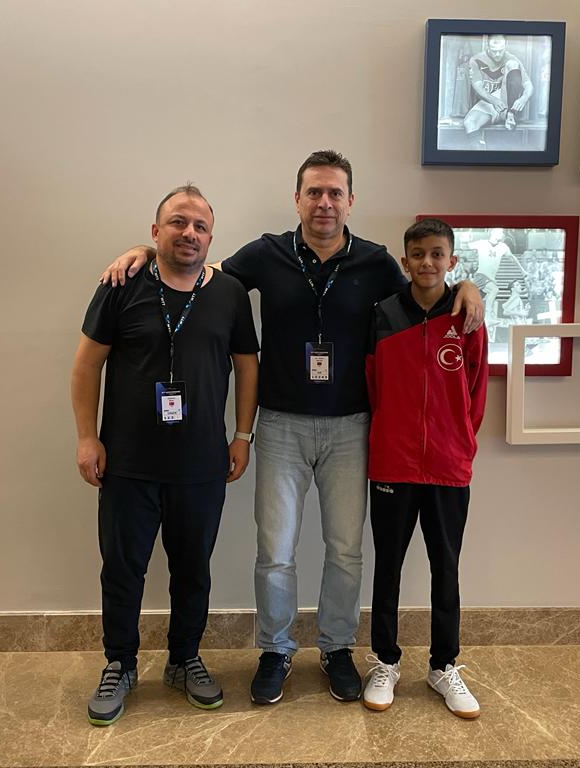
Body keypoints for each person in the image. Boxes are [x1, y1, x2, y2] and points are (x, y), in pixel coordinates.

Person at [99, 150, 485, 707]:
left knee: (345, 550)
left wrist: (469, 284)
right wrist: (145, 250)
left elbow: (426, 286)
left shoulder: (376, 262)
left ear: (350, 201)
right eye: (314, 192)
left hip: (351, 427)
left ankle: (336, 649)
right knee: (275, 550)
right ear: (297, 199)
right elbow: (197, 270)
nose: (324, 202)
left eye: (335, 193)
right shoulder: (267, 253)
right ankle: (276, 650)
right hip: (280, 425)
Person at [71, 185, 259, 725]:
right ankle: (120, 664)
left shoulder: (229, 294)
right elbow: (86, 365)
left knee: (192, 570)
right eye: (178, 222)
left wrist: (242, 436)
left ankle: (184, 659)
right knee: (122, 570)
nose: (189, 233)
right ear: (156, 232)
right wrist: (87, 438)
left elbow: (247, 366)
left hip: (201, 465)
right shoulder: (121, 284)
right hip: (127, 463)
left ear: (211, 238)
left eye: (200, 226)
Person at [362, 218, 488, 718]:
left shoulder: (467, 315)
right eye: (418, 254)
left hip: (448, 466)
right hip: (392, 463)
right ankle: (385, 661)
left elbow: (477, 388)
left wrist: (459, 441)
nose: (427, 263)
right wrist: (390, 433)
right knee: (387, 566)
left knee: (446, 568)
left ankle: (443, 665)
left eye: (438, 254)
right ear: (405, 261)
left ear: (451, 261)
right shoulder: (384, 314)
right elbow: (372, 384)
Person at [464, 34, 533, 141]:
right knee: (469, 123)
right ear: (487, 46)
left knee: (512, 64)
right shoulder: (476, 60)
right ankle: (479, 151)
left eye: (501, 51)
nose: (497, 54)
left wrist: (523, 99)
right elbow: (477, 86)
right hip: (489, 102)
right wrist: (494, 101)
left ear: (506, 46)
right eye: (494, 51)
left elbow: (528, 85)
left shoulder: (512, 58)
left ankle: (510, 115)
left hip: (507, 102)